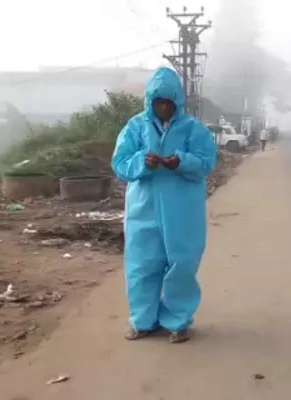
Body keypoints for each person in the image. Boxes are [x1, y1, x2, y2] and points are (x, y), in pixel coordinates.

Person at [111, 67, 217, 344]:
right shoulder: (135, 127)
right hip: (142, 209)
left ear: (177, 103)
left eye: (168, 103)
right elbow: (120, 163)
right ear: (149, 102)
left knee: (181, 264)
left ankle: (178, 320)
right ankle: (143, 321)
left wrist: (180, 161)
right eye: (158, 103)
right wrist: (142, 162)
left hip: (183, 210)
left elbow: (206, 162)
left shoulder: (193, 129)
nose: (163, 108)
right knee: (141, 265)